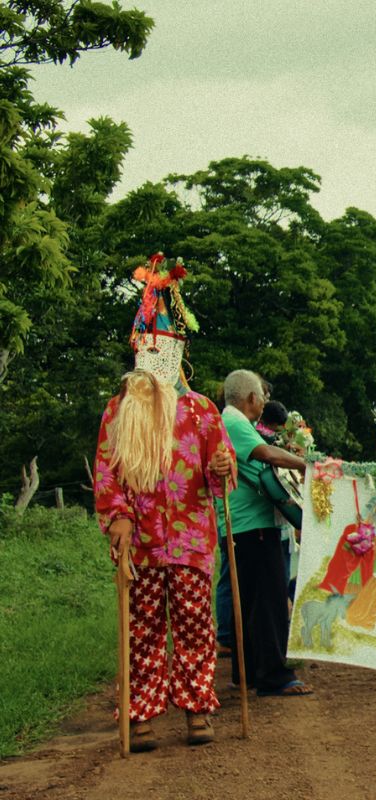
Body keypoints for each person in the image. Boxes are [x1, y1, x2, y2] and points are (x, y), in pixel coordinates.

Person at [93, 255, 235, 750]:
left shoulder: (201, 410)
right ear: (139, 353)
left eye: (167, 349)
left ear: (179, 353)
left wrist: (221, 470)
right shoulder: (119, 410)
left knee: (197, 626)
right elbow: (108, 475)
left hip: (192, 538)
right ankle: (140, 712)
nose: (159, 361)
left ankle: (197, 707)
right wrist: (118, 519)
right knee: (143, 631)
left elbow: (223, 467)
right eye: (150, 349)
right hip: (142, 541)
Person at [215, 369, 312, 696]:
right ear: (252, 398)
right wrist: (305, 465)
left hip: (246, 524)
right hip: (252, 525)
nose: (265, 401)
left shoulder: (230, 421)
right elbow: (266, 455)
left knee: (252, 602)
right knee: (268, 602)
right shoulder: (235, 422)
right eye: (263, 395)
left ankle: (249, 672)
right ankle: (272, 674)